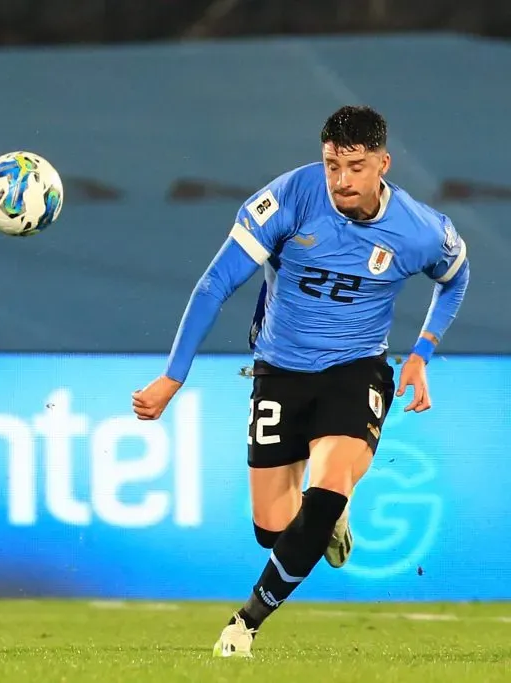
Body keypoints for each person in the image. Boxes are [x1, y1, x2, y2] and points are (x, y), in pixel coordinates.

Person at [131, 105, 469, 657]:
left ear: (383, 163)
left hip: (356, 369)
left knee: (327, 489)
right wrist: (174, 377)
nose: (342, 180)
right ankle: (328, 518)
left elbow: (456, 278)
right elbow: (215, 284)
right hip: (279, 372)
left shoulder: (418, 229)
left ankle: (246, 623)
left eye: (356, 167)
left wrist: (421, 353)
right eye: (333, 164)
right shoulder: (288, 198)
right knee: (275, 532)